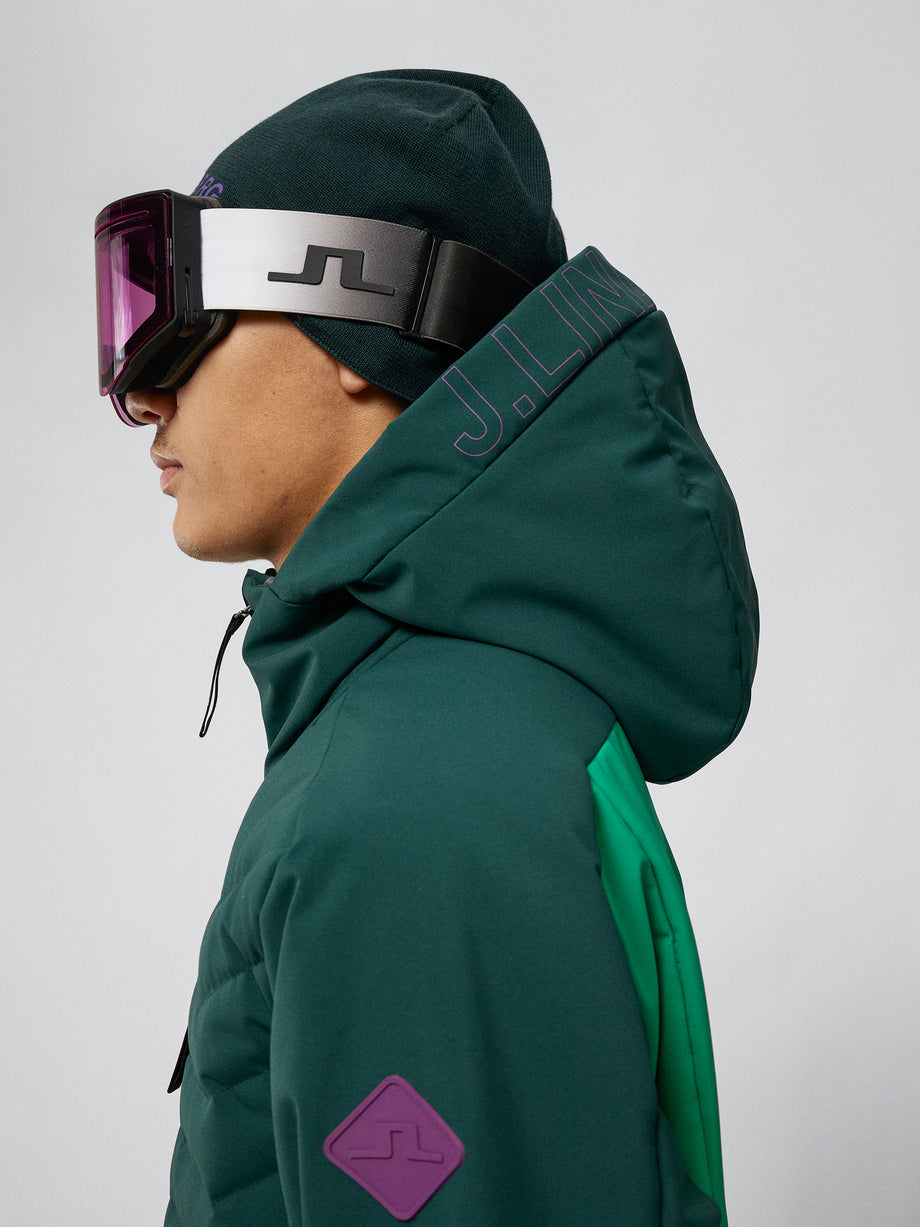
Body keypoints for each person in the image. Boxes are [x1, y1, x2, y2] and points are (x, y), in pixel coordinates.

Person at [94, 69, 757, 1226]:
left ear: (354, 326)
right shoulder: (453, 723)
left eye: (185, 330)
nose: (145, 400)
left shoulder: (411, 793)